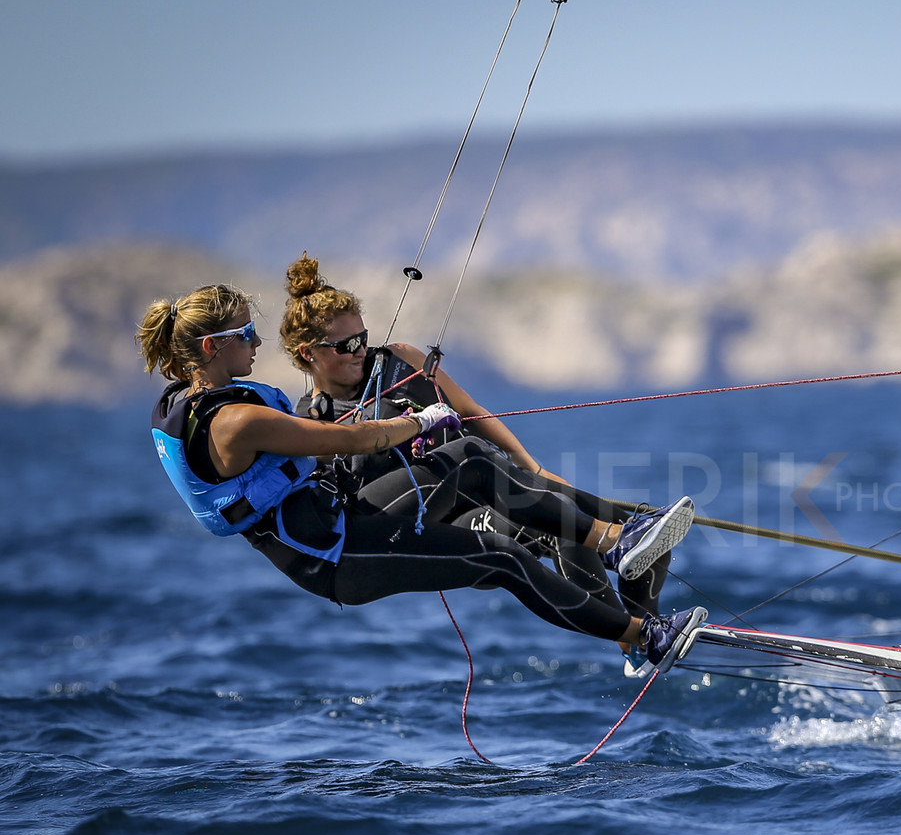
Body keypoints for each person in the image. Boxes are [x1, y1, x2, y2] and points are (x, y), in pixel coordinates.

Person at [139, 282, 706, 671]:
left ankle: (615, 543)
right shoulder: (236, 422)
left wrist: (447, 436)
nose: (257, 344)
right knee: (505, 558)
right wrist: (418, 422)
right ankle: (643, 637)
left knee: (474, 460)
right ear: (211, 347)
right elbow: (349, 440)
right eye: (245, 336)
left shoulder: (195, 400)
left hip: (341, 522)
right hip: (336, 558)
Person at [278, 254, 687, 672]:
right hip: (447, 518)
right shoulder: (311, 423)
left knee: (646, 531)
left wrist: (534, 468)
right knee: (563, 530)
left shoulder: (401, 358)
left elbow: (472, 411)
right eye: (346, 346)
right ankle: (631, 637)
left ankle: (647, 627)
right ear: (308, 354)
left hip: (494, 480)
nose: (359, 351)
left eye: (362, 338)